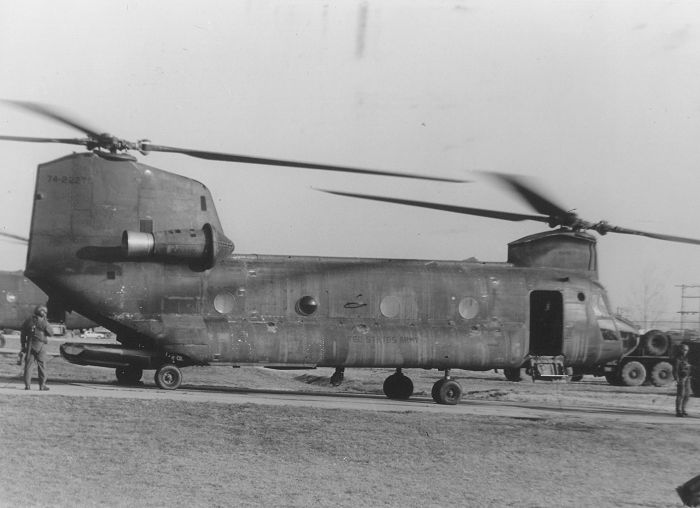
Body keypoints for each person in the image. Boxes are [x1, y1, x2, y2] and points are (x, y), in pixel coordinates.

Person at [20, 305, 54, 391]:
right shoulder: (44, 322)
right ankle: (42, 385)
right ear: (42, 312)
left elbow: (23, 334)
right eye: (45, 312)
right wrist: (46, 321)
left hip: (30, 346)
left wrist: (23, 346)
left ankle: (27, 385)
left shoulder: (28, 321)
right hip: (41, 346)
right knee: (42, 366)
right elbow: (51, 333)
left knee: (28, 366)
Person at [673, 343, 692, 417]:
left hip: (687, 378)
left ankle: (683, 409)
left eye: (686, 350)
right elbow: (675, 370)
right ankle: (678, 411)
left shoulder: (686, 358)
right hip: (681, 378)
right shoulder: (677, 359)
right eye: (684, 349)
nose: (685, 351)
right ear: (680, 349)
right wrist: (677, 379)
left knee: (687, 395)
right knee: (680, 395)